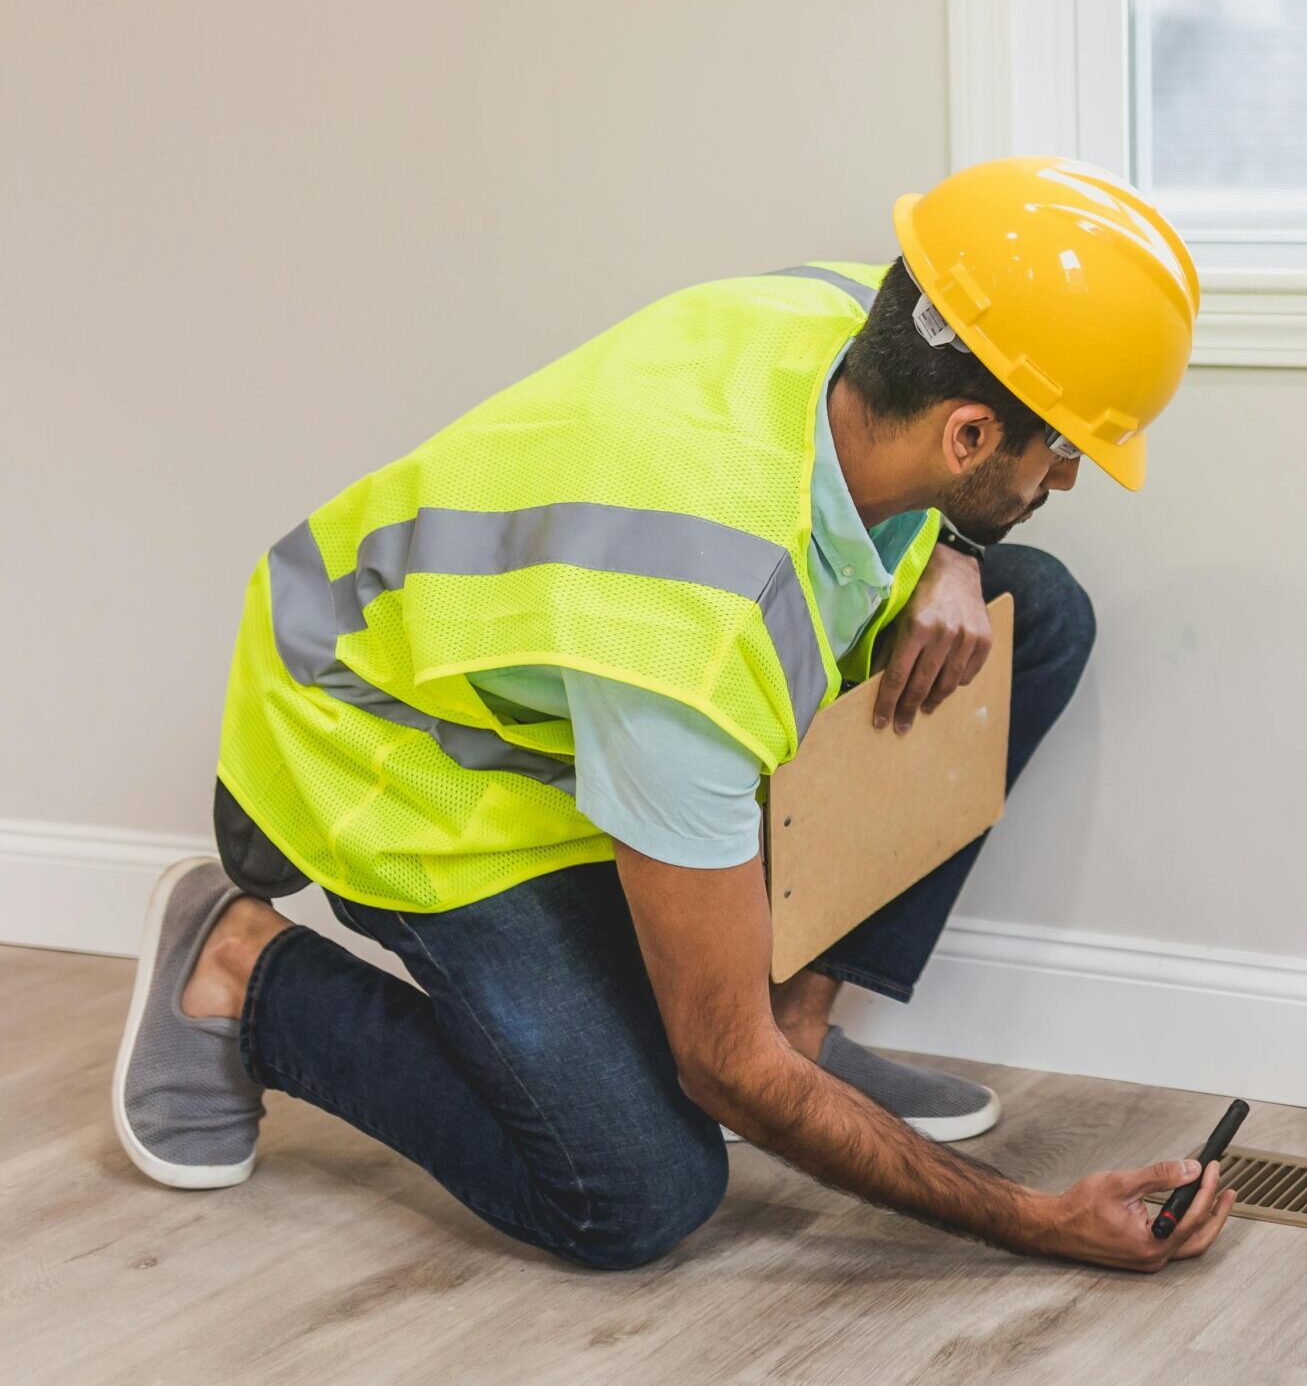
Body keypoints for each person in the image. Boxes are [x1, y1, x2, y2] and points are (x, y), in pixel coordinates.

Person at [109, 157, 1237, 1271]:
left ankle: (801, 1023)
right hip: (395, 747)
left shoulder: (866, 315)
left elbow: (955, 466)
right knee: (640, 1185)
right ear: (970, 436)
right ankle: (241, 967)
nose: (1072, 480)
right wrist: (1040, 1220)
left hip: (586, 693)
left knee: (1025, 610)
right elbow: (720, 1065)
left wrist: (955, 545)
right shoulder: (694, 630)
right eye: (1067, 451)